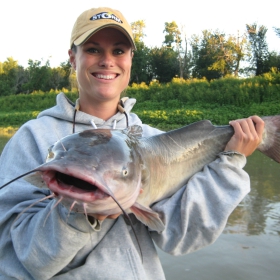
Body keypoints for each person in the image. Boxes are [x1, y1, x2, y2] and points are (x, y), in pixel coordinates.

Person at [0, 6, 264, 280]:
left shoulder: (153, 140)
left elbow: (180, 238)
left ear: (130, 60)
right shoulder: (32, 137)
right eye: (92, 49)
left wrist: (230, 163)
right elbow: (21, 262)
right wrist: (84, 213)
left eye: (118, 51)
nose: (107, 61)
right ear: (72, 58)